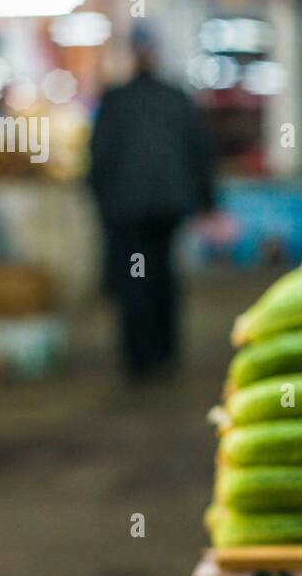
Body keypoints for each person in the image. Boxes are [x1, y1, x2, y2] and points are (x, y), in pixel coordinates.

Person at [89, 27, 215, 378]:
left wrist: (102, 204)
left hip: (128, 210)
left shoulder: (115, 100)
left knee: (135, 278)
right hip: (167, 208)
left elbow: (99, 157)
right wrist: (205, 201)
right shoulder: (176, 98)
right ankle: (164, 352)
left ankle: (140, 356)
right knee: (161, 274)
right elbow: (200, 152)